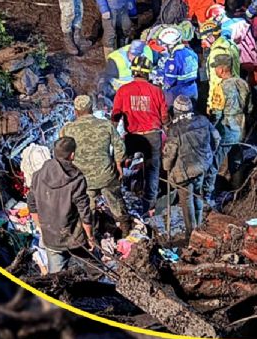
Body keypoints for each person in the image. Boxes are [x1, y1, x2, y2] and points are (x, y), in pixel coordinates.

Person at [59, 95, 131, 235]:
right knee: (116, 201)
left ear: (75, 111)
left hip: (83, 179)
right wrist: (118, 166)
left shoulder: (67, 130)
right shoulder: (105, 125)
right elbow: (119, 147)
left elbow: (63, 154)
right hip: (106, 175)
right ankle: (125, 229)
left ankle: (90, 237)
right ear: (91, 109)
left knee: (86, 208)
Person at [27, 137, 95, 274]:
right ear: (72, 155)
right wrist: (90, 237)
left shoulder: (38, 175)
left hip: (51, 238)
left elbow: (31, 205)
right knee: (95, 269)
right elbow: (84, 212)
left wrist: (43, 227)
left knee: (56, 277)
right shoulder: (76, 179)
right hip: (74, 237)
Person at [111, 56, 168, 216]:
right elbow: (164, 118)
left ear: (133, 71)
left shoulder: (123, 90)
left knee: (121, 163)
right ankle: (148, 207)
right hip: (152, 136)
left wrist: (113, 139)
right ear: (148, 73)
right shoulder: (156, 91)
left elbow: (115, 116)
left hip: (132, 137)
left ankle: (121, 199)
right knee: (152, 171)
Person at [163, 95, 219, 238]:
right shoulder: (203, 120)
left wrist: (166, 166)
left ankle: (191, 232)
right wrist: (209, 153)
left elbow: (170, 154)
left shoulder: (174, 129)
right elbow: (217, 138)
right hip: (202, 166)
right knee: (197, 194)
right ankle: (199, 226)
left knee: (187, 200)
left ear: (176, 111)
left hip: (184, 171)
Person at [207, 54, 251, 203]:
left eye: (216, 68)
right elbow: (249, 107)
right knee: (237, 156)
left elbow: (217, 113)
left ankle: (212, 194)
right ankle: (237, 190)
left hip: (226, 126)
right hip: (241, 124)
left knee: (216, 160)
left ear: (222, 69)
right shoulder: (243, 83)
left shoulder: (220, 88)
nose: (215, 71)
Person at [155, 26, 199, 106]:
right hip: (193, 89)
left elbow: (168, 82)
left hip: (178, 94)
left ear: (170, 45)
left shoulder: (173, 60)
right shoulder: (191, 52)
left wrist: (159, 75)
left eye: (164, 45)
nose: (163, 47)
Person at [200, 19, 240, 103]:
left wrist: (211, 103)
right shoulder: (230, 44)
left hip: (223, 98)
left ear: (211, 37)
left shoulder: (217, 53)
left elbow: (216, 81)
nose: (202, 43)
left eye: (204, 39)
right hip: (236, 90)